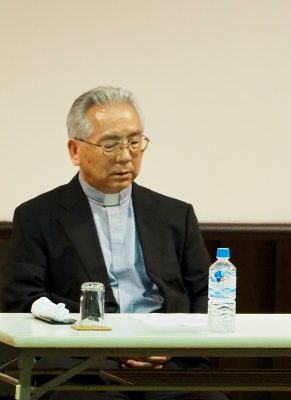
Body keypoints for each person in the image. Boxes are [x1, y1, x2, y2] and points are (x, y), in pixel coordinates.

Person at [0, 86, 228, 400]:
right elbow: (23, 301)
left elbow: (206, 293)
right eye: (110, 144)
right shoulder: (38, 216)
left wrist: (172, 347)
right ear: (75, 150)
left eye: (134, 142)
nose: (125, 156)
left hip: (168, 363)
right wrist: (107, 345)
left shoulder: (176, 215)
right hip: (80, 366)